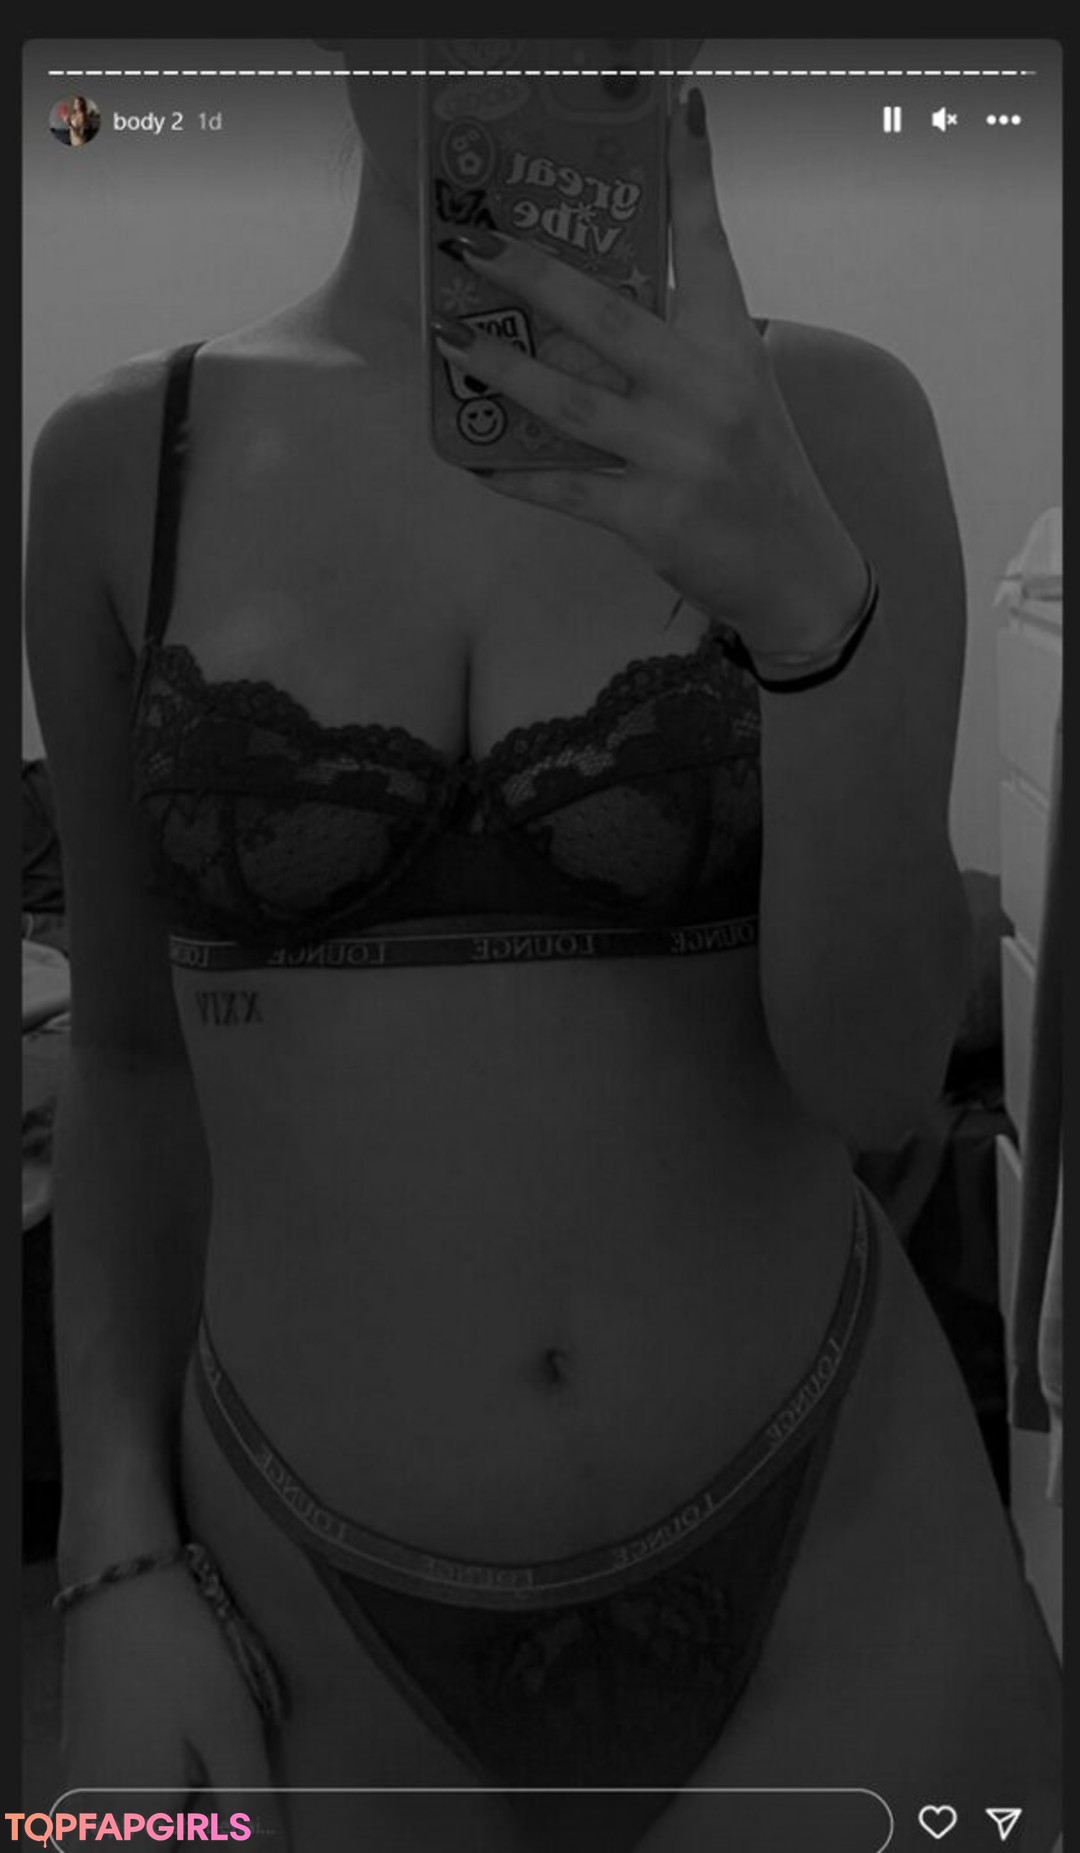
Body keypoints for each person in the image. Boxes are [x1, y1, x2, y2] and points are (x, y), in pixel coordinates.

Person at [26, 40, 1061, 1853]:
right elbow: (122, 1056)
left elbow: (886, 1078)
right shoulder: (123, 460)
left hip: (838, 1551)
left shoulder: (835, 424)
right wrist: (107, 1554)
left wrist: (803, 607)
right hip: (295, 1590)